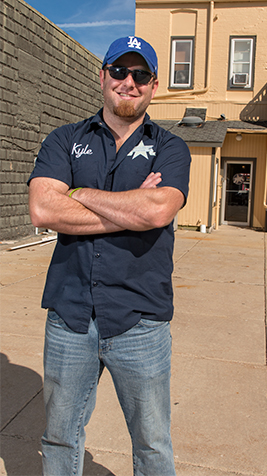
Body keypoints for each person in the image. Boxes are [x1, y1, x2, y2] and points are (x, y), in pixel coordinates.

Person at [28, 36, 191, 476]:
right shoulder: (65, 140)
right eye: (119, 71)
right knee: (60, 436)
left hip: (140, 319)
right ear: (102, 77)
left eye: (140, 75)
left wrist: (77, 196)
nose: (128, 82)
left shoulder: (171, 147)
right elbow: (43, 208)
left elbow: (159, 208)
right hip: (70, 316)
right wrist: (130, 206)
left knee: (152, 444)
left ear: (154, 85)